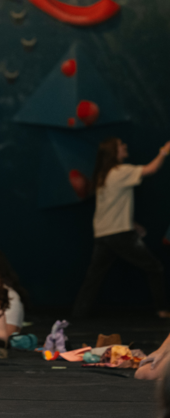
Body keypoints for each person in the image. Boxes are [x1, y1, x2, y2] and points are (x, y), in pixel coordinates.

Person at [72, 137, 170, 319]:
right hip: (118, 234)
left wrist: (131, 224)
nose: (125, 146)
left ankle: (78, 315)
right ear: (114, 152)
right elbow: (152, 168)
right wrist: (164, 151)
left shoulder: (104, 175)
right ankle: (162, 310)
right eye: (121, 145)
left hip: (103, 234)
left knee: (93, 278)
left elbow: (111, 207)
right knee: (155, 267)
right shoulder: (120, 171)